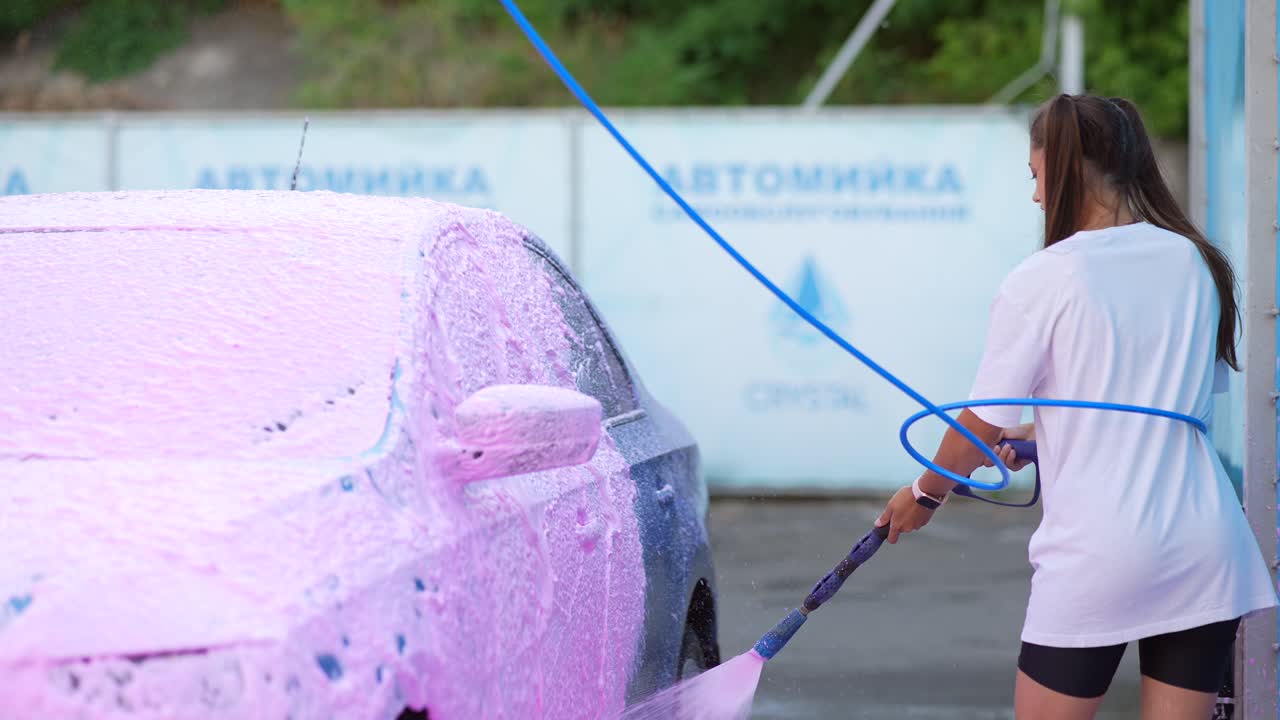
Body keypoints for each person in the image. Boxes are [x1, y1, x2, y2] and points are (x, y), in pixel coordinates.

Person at [874, 93, 1278, 720]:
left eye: (1037, 176)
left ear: (1065, 167)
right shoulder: (1196, 261)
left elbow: (983, 421)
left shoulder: (1045, 276)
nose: (1037, 197)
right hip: (1204, 543)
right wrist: (1046, 437)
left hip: (1104, 550)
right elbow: (1156, 406)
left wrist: (925, 494)